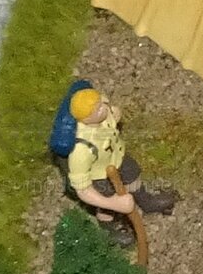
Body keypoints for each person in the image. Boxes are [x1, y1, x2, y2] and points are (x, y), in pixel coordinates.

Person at [62, 89, 176, 248]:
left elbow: (112, 112)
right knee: (106, 198)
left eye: (101, 104)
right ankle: (108, 227)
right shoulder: (81, 150)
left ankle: (146, 201)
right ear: (86, 118)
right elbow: (83, 190)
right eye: (98, 108)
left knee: (132, 175)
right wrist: (114, 203)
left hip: (117, 157)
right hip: (98, 175)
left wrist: (115, 113)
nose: (104, 107)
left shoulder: (103, 111)